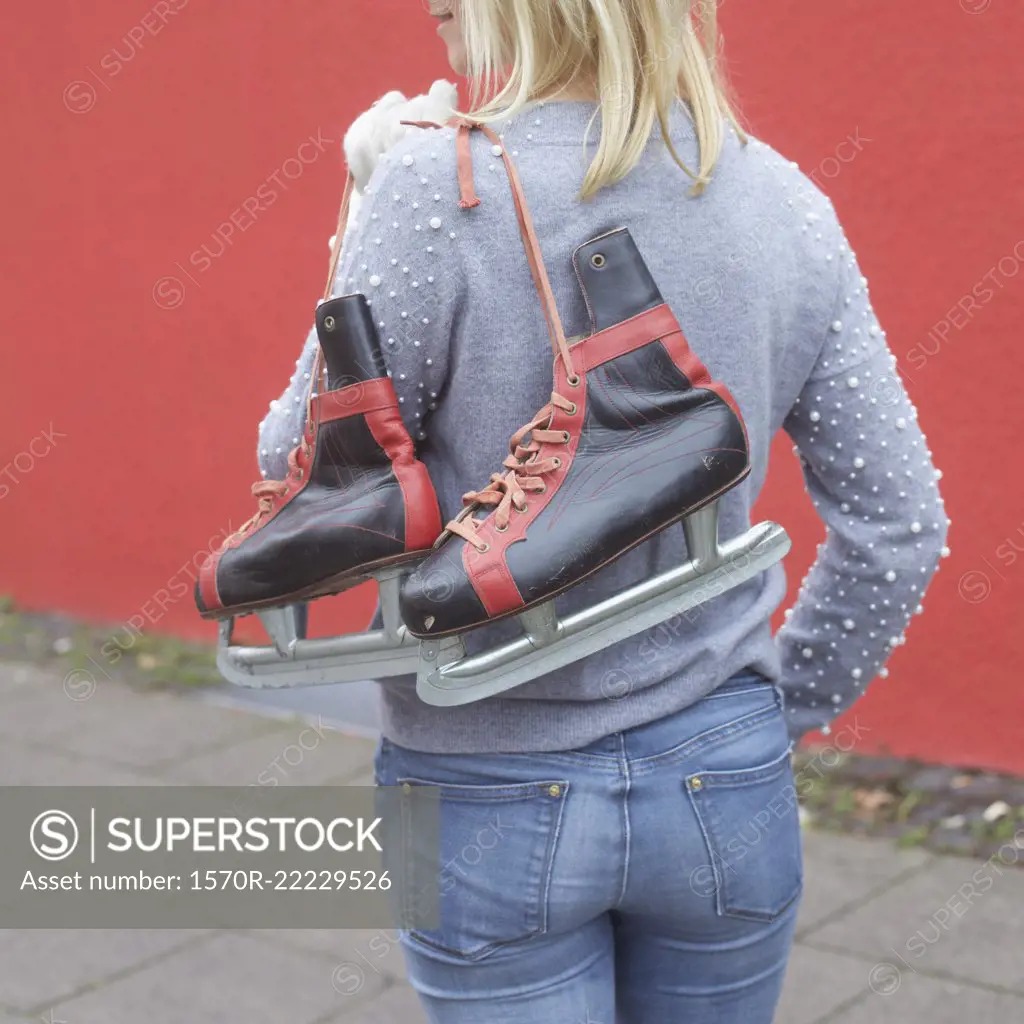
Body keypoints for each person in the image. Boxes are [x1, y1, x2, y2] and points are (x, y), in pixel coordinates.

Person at [258, 1, 950, 1020]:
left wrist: (359, 211)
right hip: (722, 776)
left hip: (478, 777)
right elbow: (901, 525)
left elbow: (299, 472)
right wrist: (770, 713)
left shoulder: (429, 184)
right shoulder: (784, 201)